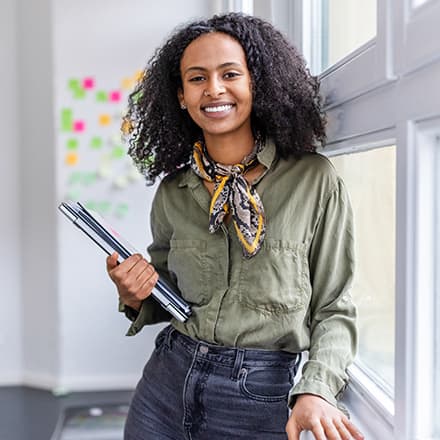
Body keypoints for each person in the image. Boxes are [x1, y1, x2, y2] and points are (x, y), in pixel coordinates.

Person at [107, 12, 364, 440]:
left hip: (259, 399)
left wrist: (317, 389)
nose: (214, 89)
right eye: (197, 78)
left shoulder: (313, 179)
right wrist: (133, 294)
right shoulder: (174, 190)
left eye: (230, 73)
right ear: (182, 96)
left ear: (256, 84)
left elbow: (334, 305)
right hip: (165, 386)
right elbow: (166, 291)